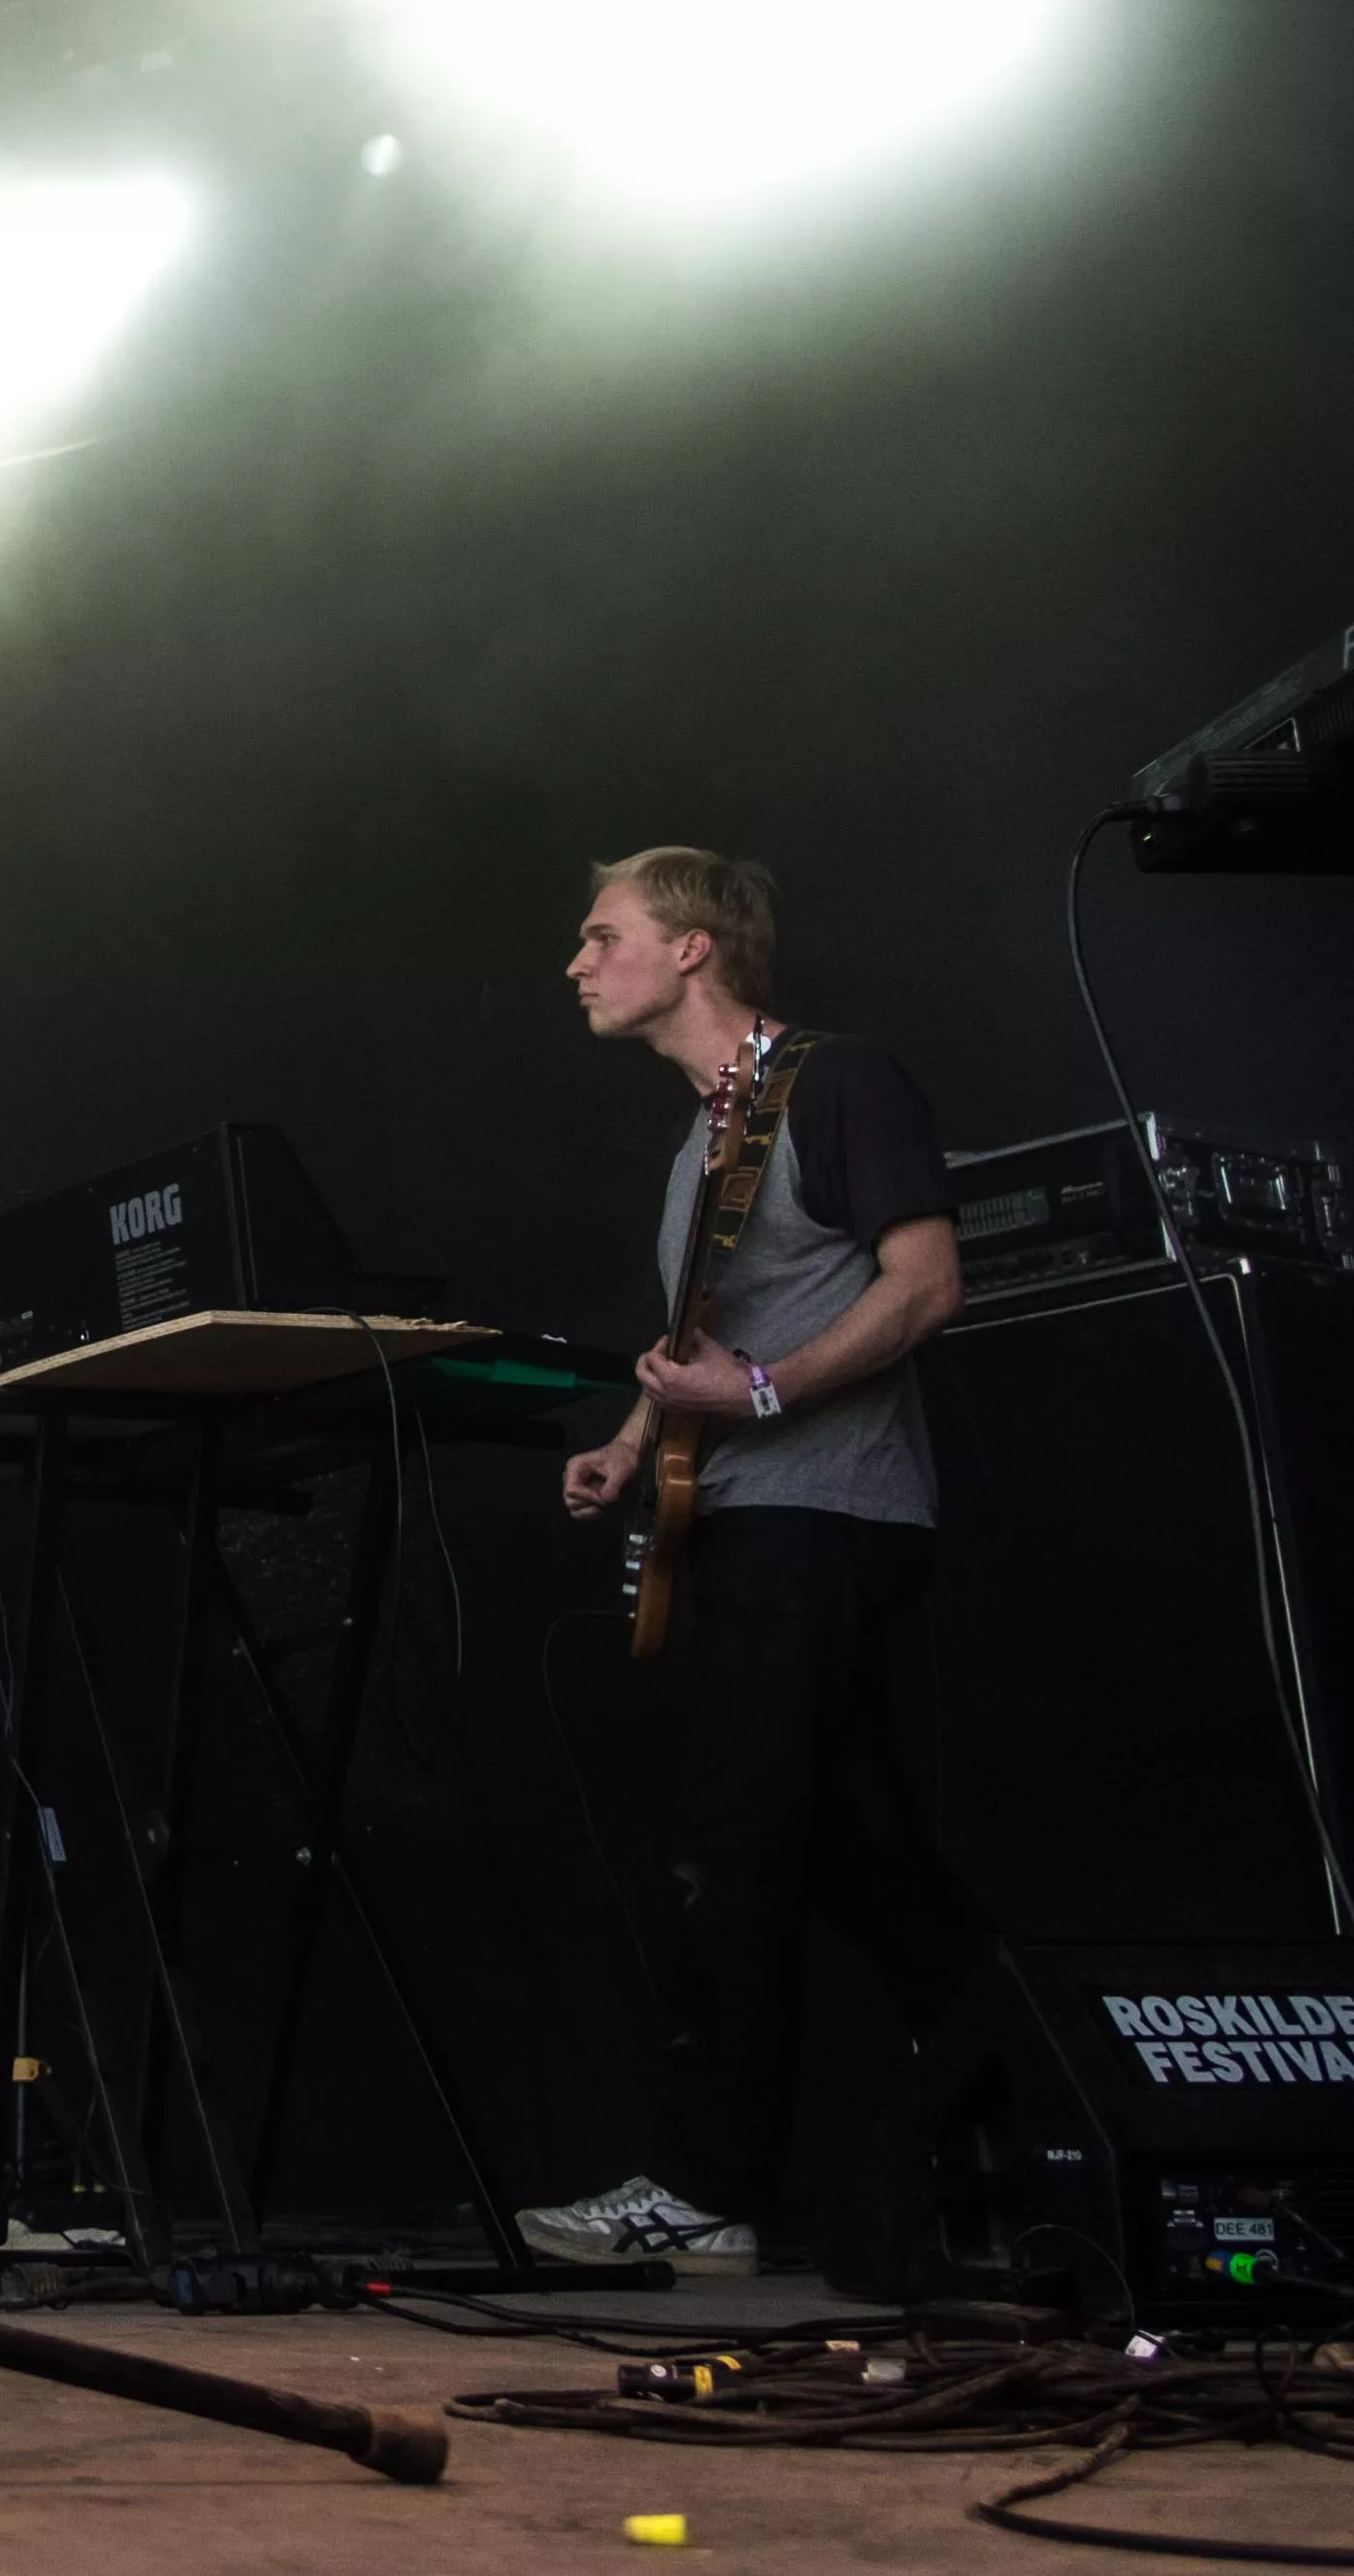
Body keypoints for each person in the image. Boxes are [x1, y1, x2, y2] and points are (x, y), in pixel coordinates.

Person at [522, 848, 986, 2273]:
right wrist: (631, 1435)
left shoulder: (835, 1084)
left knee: (733, 1854)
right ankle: (1029, 2123)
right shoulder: (699, 1142)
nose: (576, 963)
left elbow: (925, 1287)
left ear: (692, 952)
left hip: (823, 1517)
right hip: (731, 1520)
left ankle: (703, 2188)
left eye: (602, 936)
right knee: (858, 1857)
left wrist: (769, 1395)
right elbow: (698, 1349)